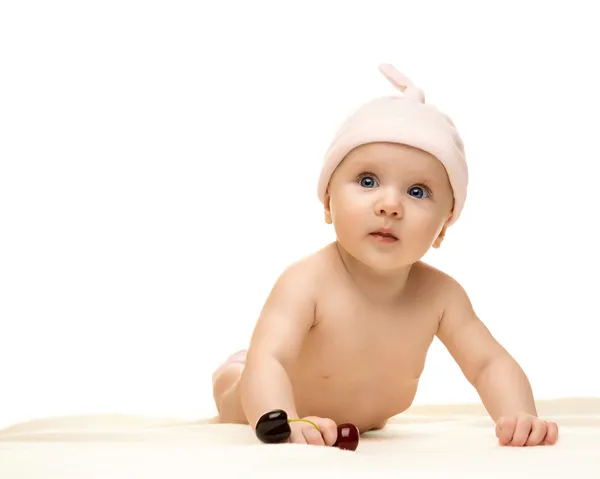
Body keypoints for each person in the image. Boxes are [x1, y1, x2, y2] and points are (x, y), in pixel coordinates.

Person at [211, 64, 559, 447]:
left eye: (417, 191)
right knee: (238, 391)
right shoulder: (306, 282)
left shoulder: (440, 296)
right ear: (328, 202)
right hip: (269, 402)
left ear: (443, 228)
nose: (390, 205)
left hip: (362, 424)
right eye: (367, 181)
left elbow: (488, 362)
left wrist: (520, 415)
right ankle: (229, 374)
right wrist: (284, 419)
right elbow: (272, 359)